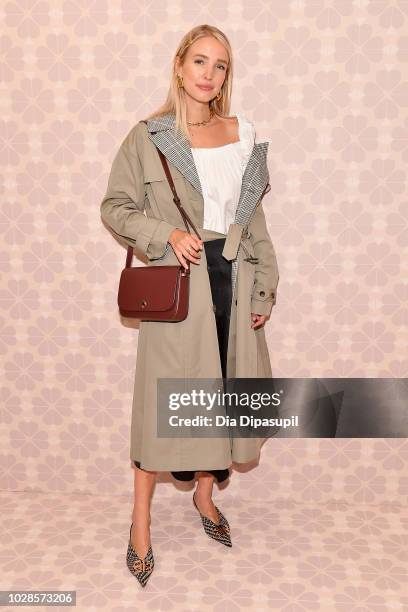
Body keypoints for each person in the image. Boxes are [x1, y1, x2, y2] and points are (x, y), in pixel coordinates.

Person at [100, 24, 279, 587]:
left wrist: (264, 287)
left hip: (235, 276)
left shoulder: (243, 134)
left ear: (228, 75)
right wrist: (163, 234)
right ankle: (140, 523)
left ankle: (205, 498)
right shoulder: (149, 136)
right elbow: (116, 206)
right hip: (183, 284)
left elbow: (255, 221)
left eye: (220, 65)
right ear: (179, 65)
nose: (209, 74)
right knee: (165, 406)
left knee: (225, 394)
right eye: (199, 61)